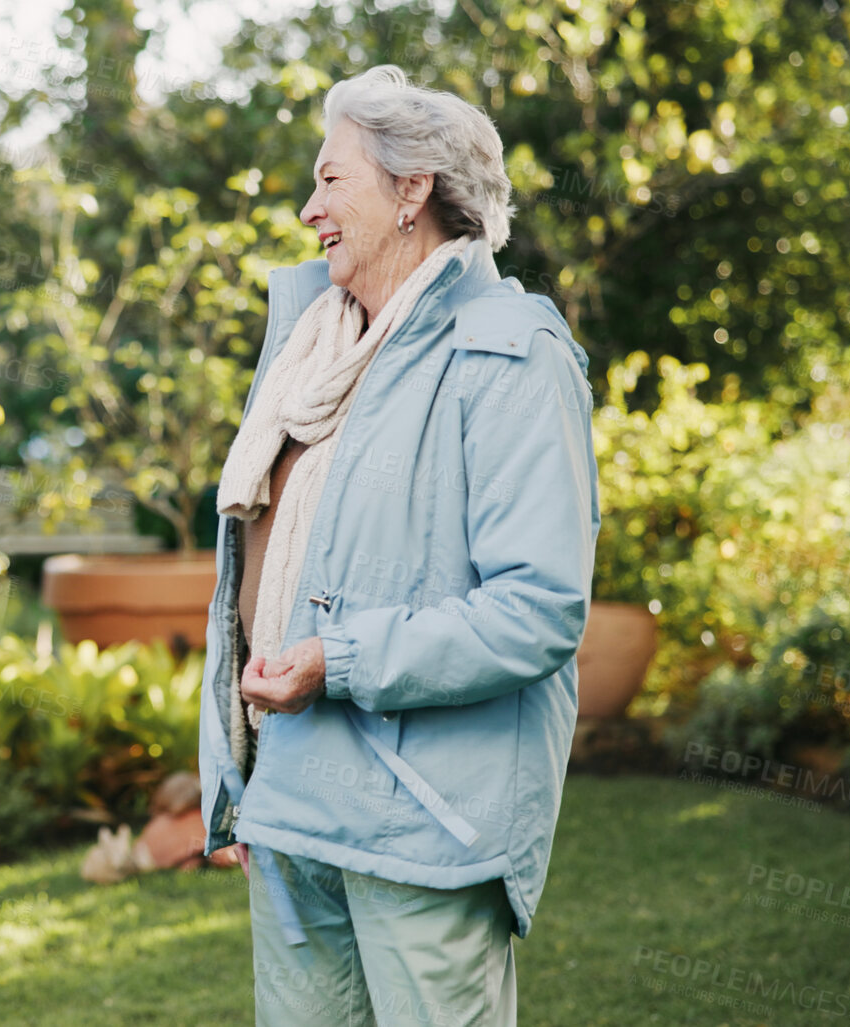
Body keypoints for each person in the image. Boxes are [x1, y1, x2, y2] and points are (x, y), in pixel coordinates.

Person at [199, 65, 599, 1025]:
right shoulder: (313, 350)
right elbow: (254, 577)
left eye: (330, 180)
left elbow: (536, 607)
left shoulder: (508, 353)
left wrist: (338, 660)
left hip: (425, 822)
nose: (307, 210)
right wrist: (237, 776)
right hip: (291, 800)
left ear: (411, 189)